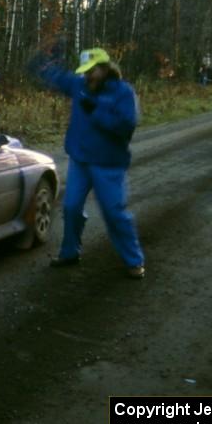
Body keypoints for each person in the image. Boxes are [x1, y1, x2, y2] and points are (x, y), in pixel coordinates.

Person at [31, 45, 146, 279]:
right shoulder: (80, 85)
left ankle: (134, 261)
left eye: (91, 71)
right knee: (71, 208)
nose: (87, 76)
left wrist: (97, 111)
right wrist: (43, 66)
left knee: (114, 214)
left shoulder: (122, 92)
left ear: (104, 69)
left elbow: (127, 126)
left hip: (108, 164)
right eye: (84, 71)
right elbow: (59, 78)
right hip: (80, 161)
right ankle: (70, 252)